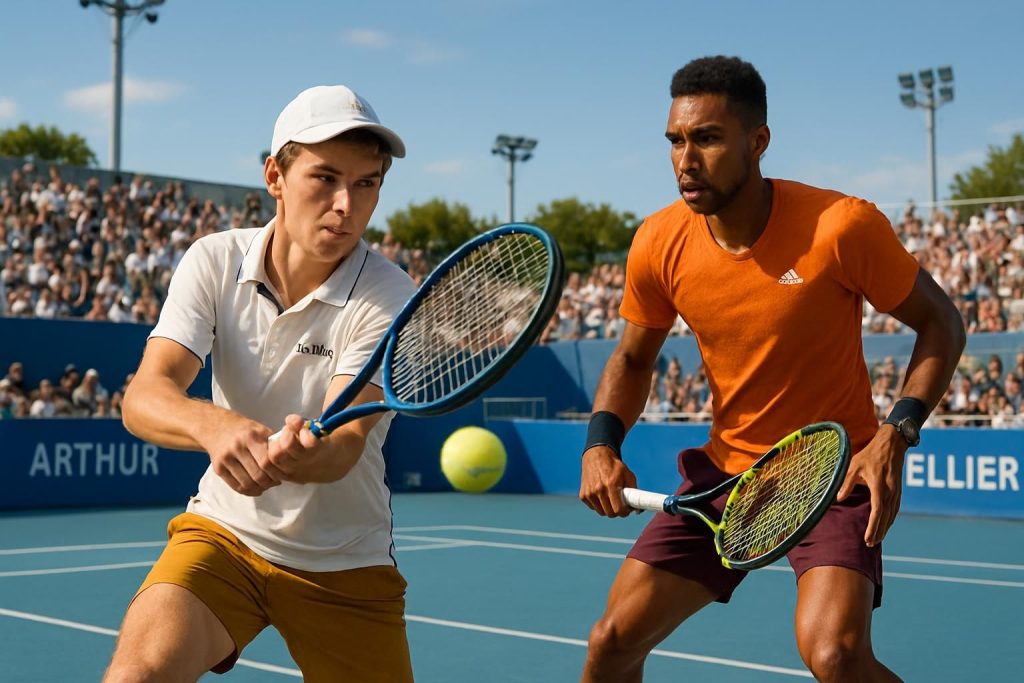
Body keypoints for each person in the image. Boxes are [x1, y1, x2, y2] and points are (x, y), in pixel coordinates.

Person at [578, 56, 966, 682]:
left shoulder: (842, 226)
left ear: (757, 141)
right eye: (676, 140)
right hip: (725, 479)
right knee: (610, 643)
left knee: (836, 656)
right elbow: (630, 357)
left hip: (832, 474)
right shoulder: (657, 240)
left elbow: (942, 322)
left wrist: (895, 434)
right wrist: (601, 444)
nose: (686, 158)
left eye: (707, 138)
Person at [104, 85, 415, 682]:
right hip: (225, 535)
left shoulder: (389, 296)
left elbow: (341, 451)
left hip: (346, 562)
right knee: (136, 675)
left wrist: (303, 455)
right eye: (324, 178)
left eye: (366, 183)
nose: (345, 204)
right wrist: (214, 425)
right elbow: (144, 398)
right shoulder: (213, 259)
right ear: (274, 175)